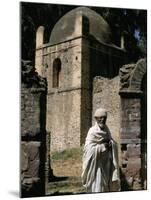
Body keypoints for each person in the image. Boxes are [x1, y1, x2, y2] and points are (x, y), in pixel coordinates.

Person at [81, 108, 120, 193]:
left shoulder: (107, 130)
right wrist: (102, 147)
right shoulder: (92, 131)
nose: (102, 119)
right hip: (96, 165)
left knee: (106, 188)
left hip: (107, 165)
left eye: (104, 118)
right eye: (100, 118)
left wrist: (111, 144)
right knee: (98, 187)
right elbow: (88, 150)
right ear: (96, 118)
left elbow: (112, 142)